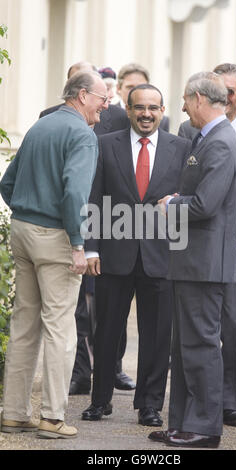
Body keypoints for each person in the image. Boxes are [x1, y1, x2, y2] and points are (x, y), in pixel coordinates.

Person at [0, 71, 108, 439]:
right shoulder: (82, 134)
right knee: (61, 330)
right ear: (81, 95)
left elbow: (7, 184)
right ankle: (51, 418)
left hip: (23, 230)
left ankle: (14, 414)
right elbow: (75, 194)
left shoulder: (39, 126)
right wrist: (78, 244)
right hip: (57, 238)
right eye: (101, 98)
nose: (105, 105)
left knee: (24, 324)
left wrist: (28, 213)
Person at [81, 83, 191, 425]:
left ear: (162, 111)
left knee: (157, 334)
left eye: (153, 108)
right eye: (140, 107)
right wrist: (92, 247)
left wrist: (180, 253)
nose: (146, 114)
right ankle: (100, 401)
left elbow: (185, 202)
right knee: (107, 331)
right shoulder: (105, 144)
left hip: (162, 255)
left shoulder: (182, 147)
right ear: (128, 110)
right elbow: (94, 198)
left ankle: (149, 405)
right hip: (114, 253)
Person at [150, 71, 236, 448]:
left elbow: (205, 205)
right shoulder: (209, 138)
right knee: (185, 346)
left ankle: (203, 428)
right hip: (194, 262)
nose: (183, 107)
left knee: (201, 346)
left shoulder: (220, 142)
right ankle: (183, 423)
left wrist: (171, 203)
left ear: (200, 99)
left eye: (186, 100)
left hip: (204, 265)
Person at [178, 64, 236, 425]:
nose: (225, 96)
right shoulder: (191, 128)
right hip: (201, 244)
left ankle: (232, 401)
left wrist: (235, 235)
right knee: (201, 329)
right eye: (220, 89)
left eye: (231, 91)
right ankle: (200, 403)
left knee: (234, 325)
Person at [40, 61, 134, 395]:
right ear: (77, 91)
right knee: (74, 308)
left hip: (109, 221)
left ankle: (113, 367)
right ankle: (80, 373)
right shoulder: (49, 117)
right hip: (67, 223)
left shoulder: (118, 117)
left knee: (110, 304)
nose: (105, 101)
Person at [116, 62, 170, 131]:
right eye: (130, 87)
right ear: (118, 88)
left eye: (140, 87)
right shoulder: (106, 117)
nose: (135, 92)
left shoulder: (161, 121)